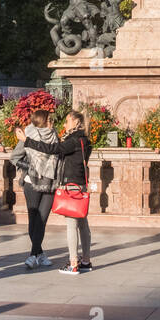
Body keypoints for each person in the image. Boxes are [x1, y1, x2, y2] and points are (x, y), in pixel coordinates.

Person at [37, 111, 93, 276]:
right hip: (81, 185)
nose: (64, 124)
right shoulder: (84, 141)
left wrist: (28, 141)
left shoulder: (73, 141)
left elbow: (53, 149)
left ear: (76, 122)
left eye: (67, 121)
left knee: (71, 226)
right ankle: (86, 261)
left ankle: (73, 263)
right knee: (83, 224)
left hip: (71, 186)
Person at [10, 109, 59, 268]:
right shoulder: (28, 135)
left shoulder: (54, 135)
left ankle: (34, 254)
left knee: (42, 220)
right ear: (43, 121)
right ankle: (37, 254)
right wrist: (31, 167)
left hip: (50, 182)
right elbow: (15, 157)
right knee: (34, 218)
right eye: (49, 119)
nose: (52, 121)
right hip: (32, 182)